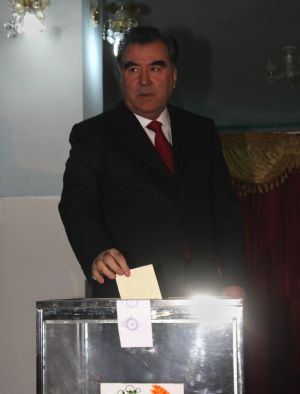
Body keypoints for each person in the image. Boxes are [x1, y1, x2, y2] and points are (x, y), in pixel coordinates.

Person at [59, 26, 247, 299]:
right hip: (130, 285)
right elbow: (77, 204)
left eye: (156, 69)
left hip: (204, 288)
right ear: (121, 76)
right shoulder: (94, 135)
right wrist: (96, 251)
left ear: (173, 76)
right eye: (133, 69)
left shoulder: (201, 131)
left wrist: (234, 278)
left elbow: (225, 211)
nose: (144, 81)